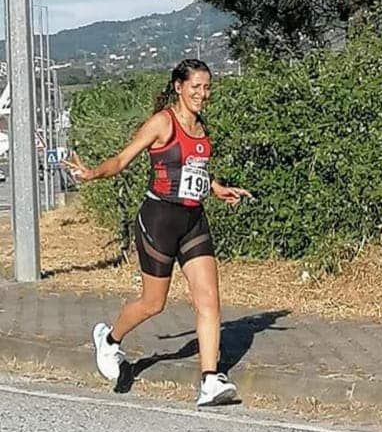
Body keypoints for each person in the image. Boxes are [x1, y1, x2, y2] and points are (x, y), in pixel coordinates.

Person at [65, 59, 252, 407]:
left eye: (207, 87)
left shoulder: (200, 125)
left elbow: (193, 169)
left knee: (209, 299)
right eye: (196, 87)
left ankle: (210, 381)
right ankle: (109, 341)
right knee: (154, 303)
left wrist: (217, 188)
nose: (202, 94)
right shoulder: (162, 123)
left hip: (194, 220)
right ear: (179, 87)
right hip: (159, 219)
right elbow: (122, 160)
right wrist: (91, 174)